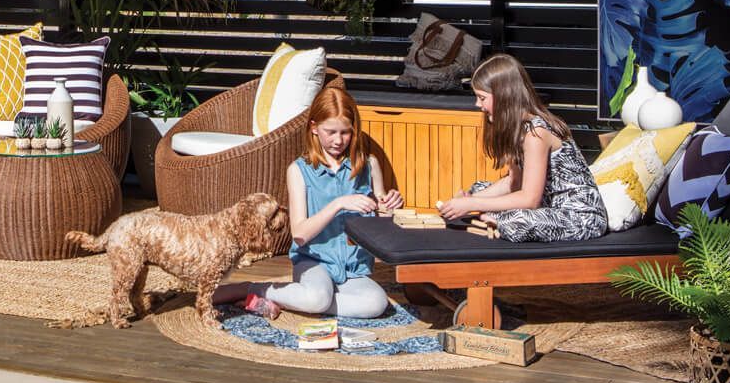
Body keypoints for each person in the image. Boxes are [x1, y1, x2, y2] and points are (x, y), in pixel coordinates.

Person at [220, 85, 401, 320]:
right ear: (314, 128)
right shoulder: (299, 171)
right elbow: (300, 235)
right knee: (317, 298)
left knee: (376, 304)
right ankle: (252, 289)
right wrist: (338, 203)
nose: (339, 140)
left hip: (353, 269)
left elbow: (382, 224)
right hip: (314, 261)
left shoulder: (369, 165)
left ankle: (290, 299)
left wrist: (389, 210)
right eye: (331, 132)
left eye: (345, 132)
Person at [436, 53, 607, 243]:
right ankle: (493, 217)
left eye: (482, 98)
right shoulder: (518, 129)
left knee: (516, 220)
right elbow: (513, 182)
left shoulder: (537, 133)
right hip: (548, 206)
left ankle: (497, 220)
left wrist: (472, 204)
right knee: (479, 188)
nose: (478, 105)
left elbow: (529, 200)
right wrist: (469, 199)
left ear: (503, 96)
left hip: (578, 217)